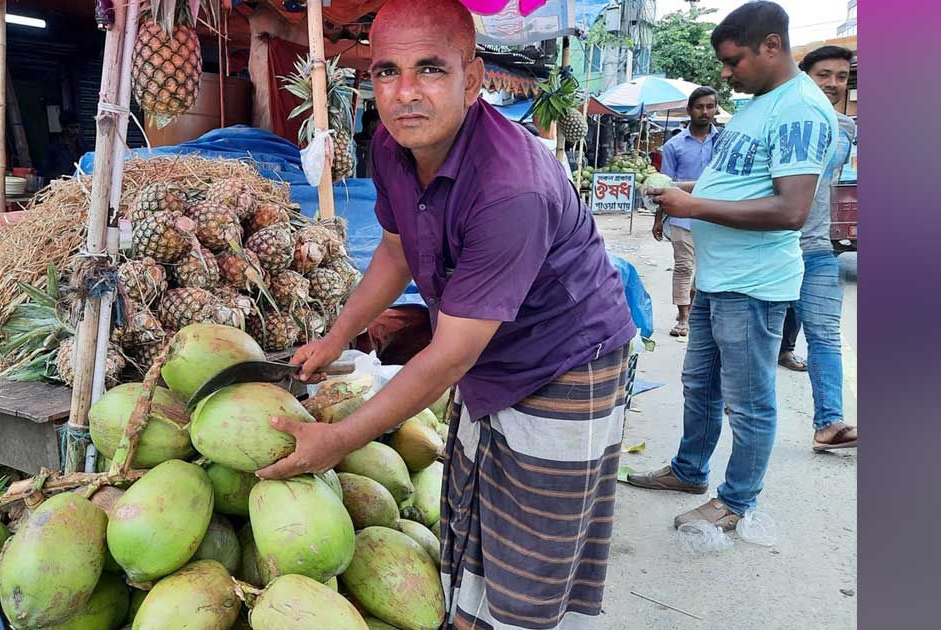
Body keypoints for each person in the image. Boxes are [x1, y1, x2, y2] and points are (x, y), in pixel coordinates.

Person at [254, 1, 637, 627]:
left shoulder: (512, 186)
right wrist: (337, 335)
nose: (405, 93)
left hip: (564, 359)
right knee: (473, 502)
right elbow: (396, 248)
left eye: (430, 70)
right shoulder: (390, 142)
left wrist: (340, 440)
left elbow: (452, 354)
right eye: (386, 72)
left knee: (534, 538)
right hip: (482, 343)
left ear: (474, 77)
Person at [629, 1, 839, 530]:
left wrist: (693, 206)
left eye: (733, 60)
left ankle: (736, 501)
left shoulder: (800, 109)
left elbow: (791, 209)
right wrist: (682, 190)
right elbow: (743, 185)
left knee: (748, 403)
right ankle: (689, 469)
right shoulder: (761, 102)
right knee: (700, 385)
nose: (725, 73)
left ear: (771, 45)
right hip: (719, 279)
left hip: (753, 287)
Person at [781, 44, 858, 451]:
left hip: (820, 247)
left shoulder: (848, 130)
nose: (832, 83)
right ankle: (730, 402)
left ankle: (829, 422)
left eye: (841, 76)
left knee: (825, 334)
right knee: (752, 336)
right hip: (774, 246)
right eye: (823, 74)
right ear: (804, 75)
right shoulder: (781, 119)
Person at [651, 87, 720, 337]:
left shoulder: (723, 142)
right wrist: (659, 220)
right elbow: (664, 185)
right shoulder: (673, 146)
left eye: (710, 106)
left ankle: (696, 307)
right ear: (690, 110)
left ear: (716, 109)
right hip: (681, 216)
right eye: (700, 107)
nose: (705, 112)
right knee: (683, 266)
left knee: (706, 267)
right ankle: (683, 316)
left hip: (714, 215)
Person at [42, 110, 84, 180]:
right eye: (72, 128)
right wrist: (62, 177)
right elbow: (45, 172)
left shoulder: (82, 146)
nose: (76, 131)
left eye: (77, 127)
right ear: (64, 127)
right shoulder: (54, 148)